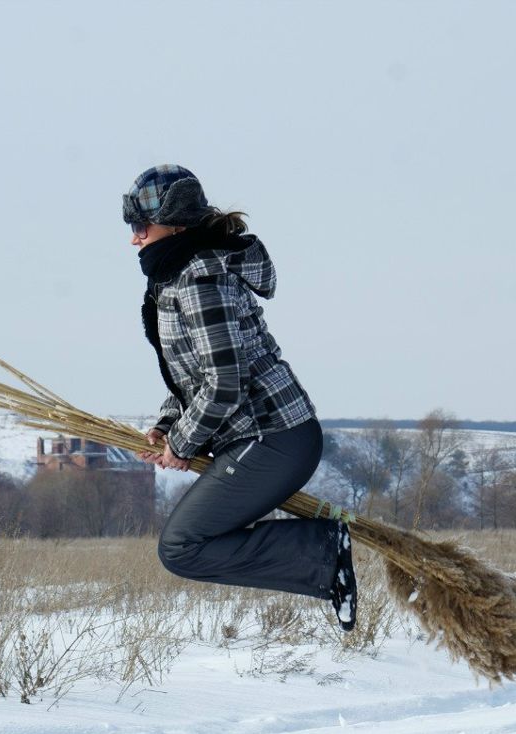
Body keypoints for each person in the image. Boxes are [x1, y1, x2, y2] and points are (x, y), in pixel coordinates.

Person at [124, 164, 357, 631]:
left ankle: (323, 552)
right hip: (257, 436)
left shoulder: (198, 279)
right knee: (182, 547)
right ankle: (320, 553)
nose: (134, 239)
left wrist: (184, 444)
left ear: (174, 225)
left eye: (140, 226)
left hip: (274, 437)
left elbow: (225, 382)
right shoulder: (175, 277)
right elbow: (191, 377)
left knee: (182, 546)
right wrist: (169, 425)